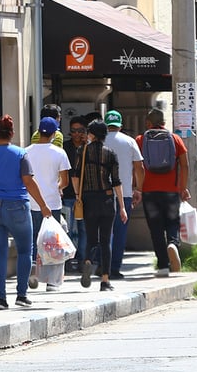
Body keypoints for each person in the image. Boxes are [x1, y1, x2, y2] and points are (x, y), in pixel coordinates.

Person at [0, 115, 51, 310]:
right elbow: (28, 181)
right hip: (17, 207)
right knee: (24, 250)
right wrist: (43, 205)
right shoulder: (20, 154)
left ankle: (1, 299)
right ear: (12, 134)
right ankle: (21, 294)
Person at [72, 119, 127, 291]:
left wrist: (77, 196)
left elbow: (75, 176)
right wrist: (122, 206)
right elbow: (116, 181)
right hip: (107, 198)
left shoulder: (82, 151)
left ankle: (87, 260)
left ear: (92, 134)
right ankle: (105, 280)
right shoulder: (110, 153)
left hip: (88, 199)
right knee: (105, 241)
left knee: (91, 237)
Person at [136, 107, 189, 277]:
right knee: (172, 222)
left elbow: (137, 166)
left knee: (156, 228)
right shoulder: (175, 139)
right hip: (171, 190)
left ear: (148, 123)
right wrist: (182, 187)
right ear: (164, 123)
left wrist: (137, 188)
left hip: (149, 191)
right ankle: (173, 243)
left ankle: (163, 265)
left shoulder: (140, 139)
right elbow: (185, 165)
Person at [26, 117, 70, 291]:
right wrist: (57, 186)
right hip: (52, 203)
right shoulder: (59, 153)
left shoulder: (26, 152)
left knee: (32, 240)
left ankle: (32, 275)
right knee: (52, 243)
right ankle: (52, 281)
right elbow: (64, 181)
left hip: (31, 202)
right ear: (54, 133)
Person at [102, 109, 144, 278]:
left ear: (106, 124)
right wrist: (138, 188)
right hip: (124, 193)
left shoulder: (98, 141)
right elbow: (139, 167)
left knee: (103, 231)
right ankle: (114, 268)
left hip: (102, 193)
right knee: (120, 232)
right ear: (120, 125)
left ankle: (102, 265)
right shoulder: (129, 141)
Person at [61, 116, 89, 272]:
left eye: (80, 131)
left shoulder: (89, 148)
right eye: (73, 131)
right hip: (67, 195)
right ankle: (68, 260)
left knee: (83, 229)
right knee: (69, 230)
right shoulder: (65, 148)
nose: (77, 134)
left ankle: (82, 260)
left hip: (85, 196)